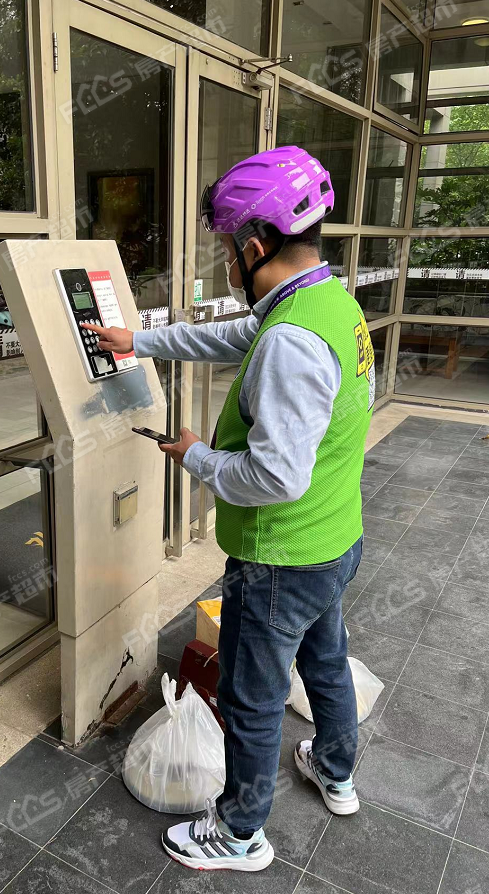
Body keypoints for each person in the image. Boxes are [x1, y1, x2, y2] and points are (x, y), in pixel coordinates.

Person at [83, 145, 375, 873]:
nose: (223, 262)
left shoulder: (291, 341)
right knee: (326, 659)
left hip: (280, 555)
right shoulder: (323, 302)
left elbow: (274, 476)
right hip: (335, 538)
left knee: (251, 693)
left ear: (252, 246)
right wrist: (138, 340)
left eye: (223, 249)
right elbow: (229, 337)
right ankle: (335, 773)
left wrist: (195, 457)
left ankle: (239, 833)